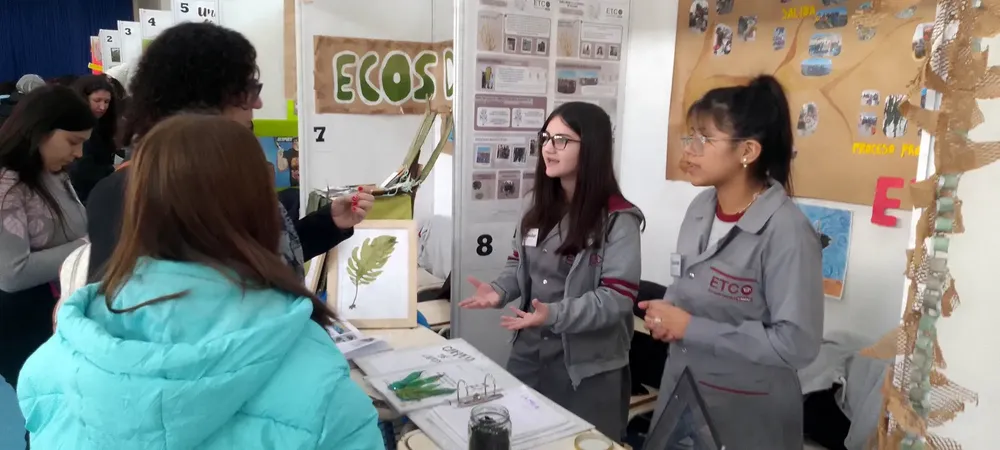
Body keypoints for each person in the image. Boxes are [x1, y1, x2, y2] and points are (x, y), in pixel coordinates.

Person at [17, 114, 383, 449]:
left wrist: (328, 225)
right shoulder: (317, 379)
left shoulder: (52, 364)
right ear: (257, 207)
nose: (254, 104)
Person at [85, 22, 374, 281]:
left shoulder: (227, 175)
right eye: (248, 90)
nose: (258, 104)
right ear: (205, 96)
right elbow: (125, 315)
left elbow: (259, 258)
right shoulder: (127, 193)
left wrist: (328, 223)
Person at [640, 75, 824, 450]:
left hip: (747, 411)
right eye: (688, 136)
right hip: (682, 389)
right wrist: (668, 310)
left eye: (703, 139)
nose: (688, 150)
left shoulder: (786, 230)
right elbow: (683, 279)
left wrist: (690, 327)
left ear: (748, 152)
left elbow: (796, 344)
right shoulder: (700, 208)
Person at [459, 102, 643, 441]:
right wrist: (499, 291)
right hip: (529, 353)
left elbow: (616, 300)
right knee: (522, 437)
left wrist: (553, 314)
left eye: (561, 140)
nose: (547, 148)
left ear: (592, 149)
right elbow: (519, 265)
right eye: (545, 137)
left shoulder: (619, 219)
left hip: (586, 369)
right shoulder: (536, 204)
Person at [0, 86, 94, 388]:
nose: (78, 153)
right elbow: (12, 273)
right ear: (41, 131)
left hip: (57, 303)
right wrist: (87, 248)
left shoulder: (52, 172)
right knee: (44, 404)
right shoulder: (6, 183)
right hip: (22, 320)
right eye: (72, 142)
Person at [68, 75, 122, 203]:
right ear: (84, 99)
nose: (102, 107)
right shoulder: (76, 127)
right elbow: (80, 170)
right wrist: (113, 170)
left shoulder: (103, 125)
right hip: (83, 196)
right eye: (97, 101)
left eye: (106, 102)